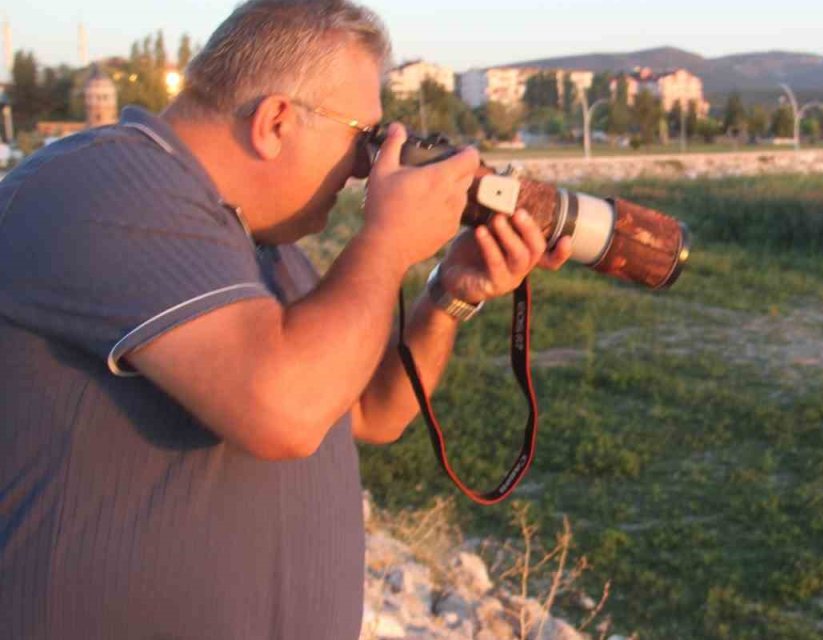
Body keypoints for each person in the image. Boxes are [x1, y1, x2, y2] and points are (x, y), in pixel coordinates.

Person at [0, 1, 571, 637]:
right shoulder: (104, 184)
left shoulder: (258, 247)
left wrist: (448, 294)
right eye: (364, 139)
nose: (368, 167)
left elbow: (369, 412)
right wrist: (385, 244)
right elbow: (285, 413)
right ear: (274, 120)